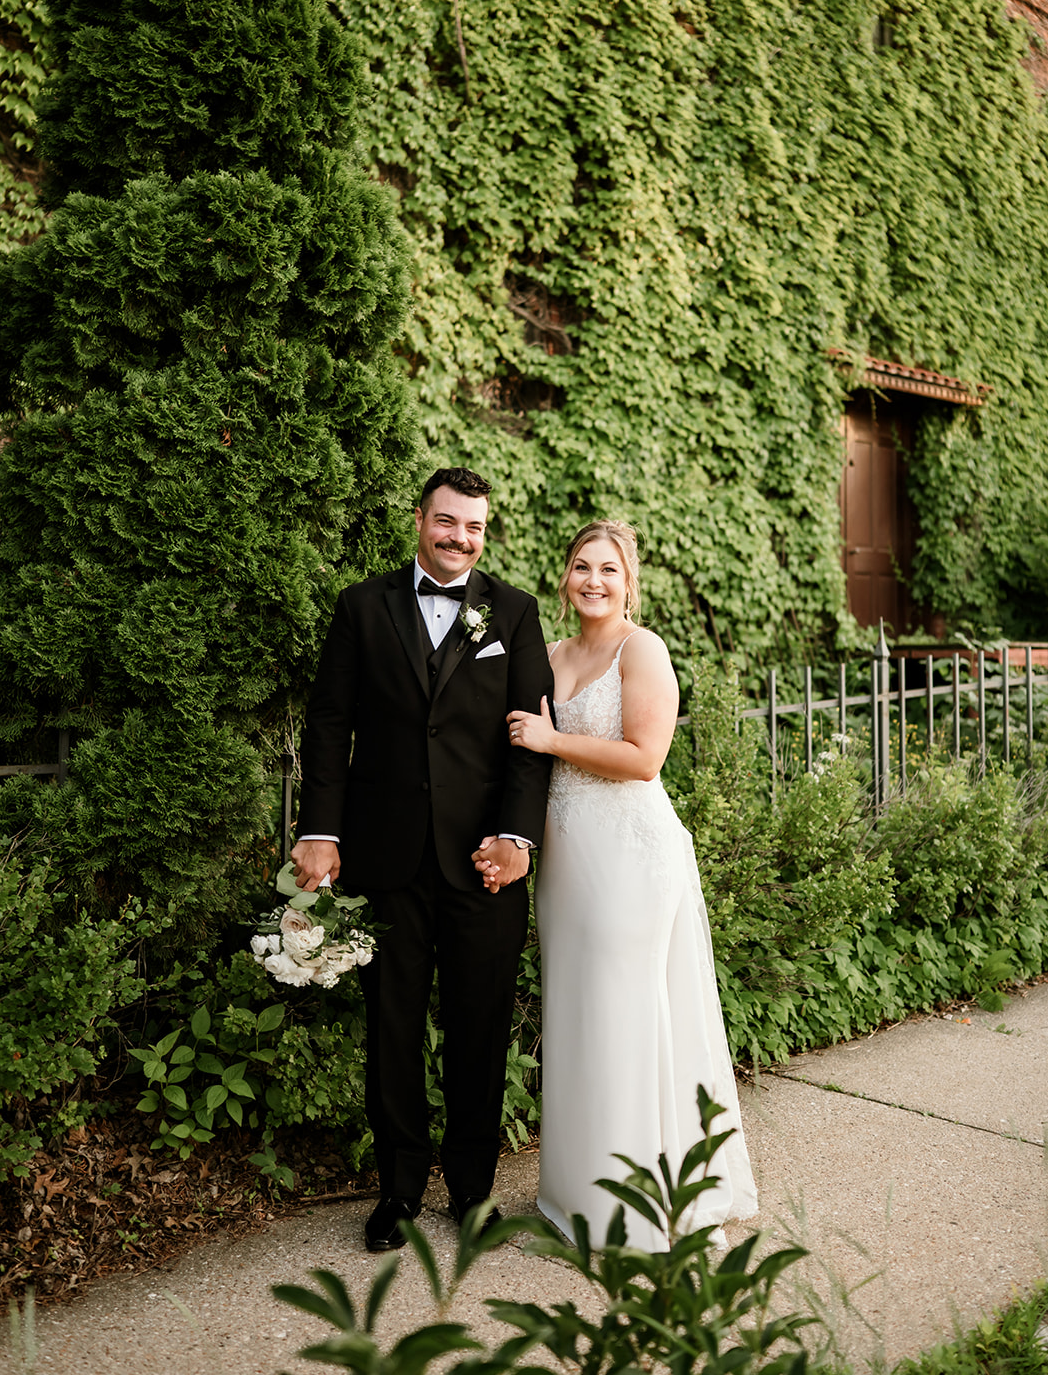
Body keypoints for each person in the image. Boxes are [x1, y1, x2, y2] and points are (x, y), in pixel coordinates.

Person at [292, 467, 553, 1252]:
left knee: (479, 1029)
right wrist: (321, 830)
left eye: (473, 528)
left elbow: (531, 739)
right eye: (446, 523)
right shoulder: (361, 606)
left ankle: (472, 1190)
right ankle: (397, 1192)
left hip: (484, 864)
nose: (459, 539)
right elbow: (330, 724)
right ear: (419, 520)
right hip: (386, 856)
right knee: (391, 1028)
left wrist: (518, 838)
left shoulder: (514, 612)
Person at [505, 520, 758, 1249]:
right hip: (566, 863)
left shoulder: (640, 649)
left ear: (628, 582)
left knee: (625, 1014)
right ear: (564, 576)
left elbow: (645, 757)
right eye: (581, 566)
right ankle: (578, 1193)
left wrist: (552, 740)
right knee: (580, 1013)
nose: (592, 580)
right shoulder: (549, 654)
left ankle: (642, 1204)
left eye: (607, 570)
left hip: (627, 855)